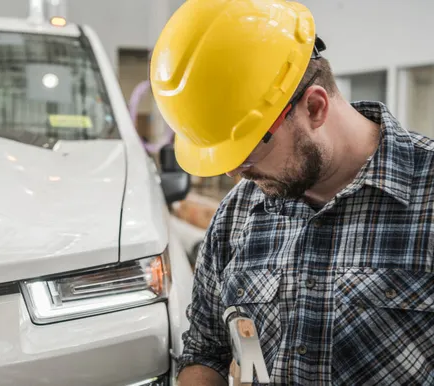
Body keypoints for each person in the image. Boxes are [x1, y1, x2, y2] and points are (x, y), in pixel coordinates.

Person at [149, 0, 434, 385]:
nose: (236, 175)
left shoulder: (426, 195)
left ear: (315, 108)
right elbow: (207, 351)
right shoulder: (237, 215)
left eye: (249, 151)